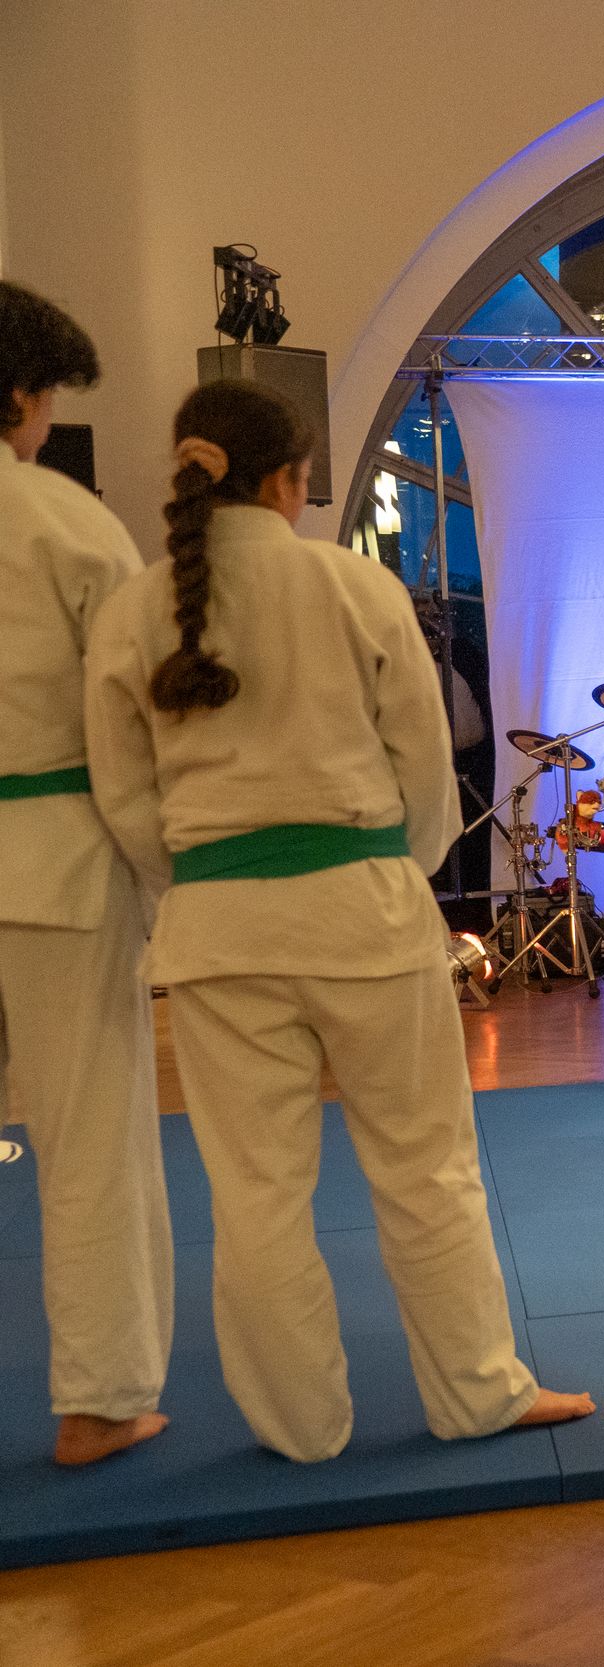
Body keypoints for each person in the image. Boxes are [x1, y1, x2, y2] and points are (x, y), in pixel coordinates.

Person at [83, 380, 592, 1463]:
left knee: (256, 1194)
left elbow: (124, 799)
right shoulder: (354, 585)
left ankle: (299, 1427)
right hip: (364, 915)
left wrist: (200, 882)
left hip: (217, 931)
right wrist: (398, 875)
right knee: (426, 1170)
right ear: (289, 480)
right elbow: (426, 773)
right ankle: (476, 1393)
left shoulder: (131, 610)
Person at [0, 281, 174, 1467]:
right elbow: (129, 717)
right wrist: (159, 865)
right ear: (21, 393)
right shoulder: (63, 522)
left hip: (52, 839)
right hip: (56, 854)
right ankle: (99, 1399)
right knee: (87, 1132)